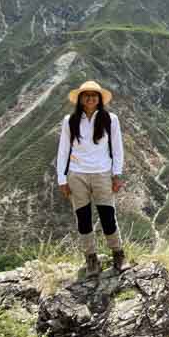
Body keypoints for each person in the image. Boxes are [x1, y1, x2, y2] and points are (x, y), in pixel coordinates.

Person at [56, 80, 126, 277]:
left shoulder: (110, 119)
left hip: (102, 173)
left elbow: (118, 148)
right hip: (77, 174)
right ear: (80, 98)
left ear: (99, 99)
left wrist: (117, 174)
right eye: (86, 95)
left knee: (107, 216)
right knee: (83, 218)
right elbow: (63, 150)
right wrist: (62, 178)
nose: (90, 98)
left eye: (94, 95)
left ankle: (118, 254)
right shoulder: (69, 121)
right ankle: (91, 259)